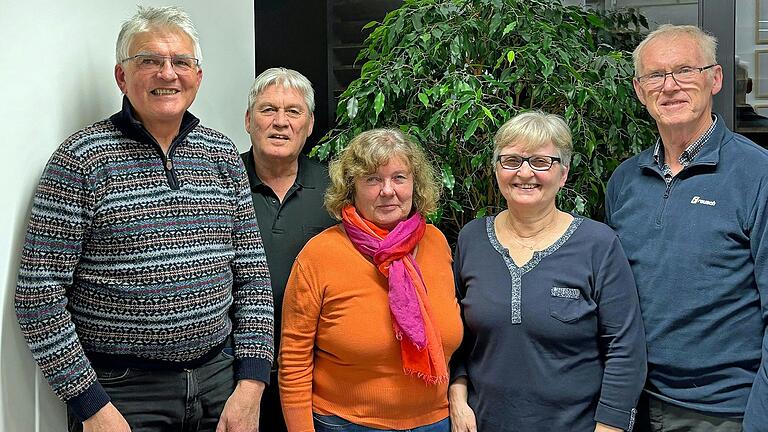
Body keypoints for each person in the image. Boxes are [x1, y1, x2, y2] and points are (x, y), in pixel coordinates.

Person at [14, 6, 273, 432]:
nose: (167, 73)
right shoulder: (80, 160)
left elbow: (252, 279)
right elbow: (37, 296)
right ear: (121, 77)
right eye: (149, 60)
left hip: (218, 383)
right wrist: (91, 406)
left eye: (181, 62)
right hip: (122, 394)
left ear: (198, 77)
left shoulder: (222, 155)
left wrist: (251, 385)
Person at [605, 24, 768, 431]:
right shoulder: (624, 181)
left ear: (715, 79)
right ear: (640, 91)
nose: (670, 86)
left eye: (684, 71)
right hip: (635, 403)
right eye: (655, 76)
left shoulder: (758, 176)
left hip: (723, 412)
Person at [450, 111, 646, 432]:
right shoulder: (472, 239)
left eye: (541, 161)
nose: (525, 172)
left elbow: (625, 348)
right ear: (496, 169)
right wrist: (457, 398)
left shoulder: (598, 244)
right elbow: (454, 334)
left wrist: (610, 427)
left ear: (563, 174)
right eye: (511, 160)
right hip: (483, 423)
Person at [279, 128, 463, 432]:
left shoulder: (437, 243)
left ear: (415, 185)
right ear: (351, 189)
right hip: (346, 423)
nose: (387, 190)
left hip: (435, 422)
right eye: (372, 179)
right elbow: (294, 361)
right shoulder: (320, 254)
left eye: (399, 178)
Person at [242, 67, 336, 431]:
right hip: (232, 374)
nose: (280, 122)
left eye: (293, 112)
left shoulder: (335, 192)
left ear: (309, 124)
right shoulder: (220, 183)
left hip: (316, 375)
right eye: (268, 110)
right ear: (249, 120)